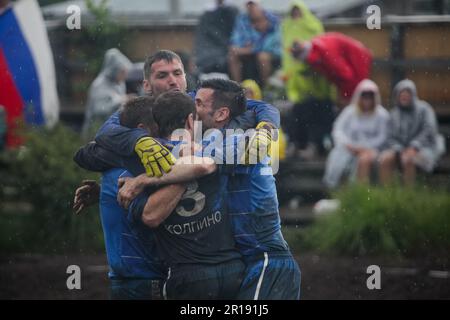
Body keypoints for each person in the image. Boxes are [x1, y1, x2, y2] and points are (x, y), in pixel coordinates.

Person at [118, 79, 301, 300]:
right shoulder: (216, 143)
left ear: (221, 113)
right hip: (244, 262)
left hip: (268, 259)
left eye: (198, 103)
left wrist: (139, 180)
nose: (193, 109)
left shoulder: (245, 144)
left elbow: (200, 163)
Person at [125, 90, 245, 300]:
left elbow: (149, 216)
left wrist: (143, 178)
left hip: (189, 274)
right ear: (191, 121)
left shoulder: (140, 164)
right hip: (232, 269)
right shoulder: (216, 149)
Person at [76, 96, 167, 299]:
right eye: (160, 127)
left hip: (130, 279)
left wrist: (103, 192)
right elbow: (154, 215)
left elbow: (86, 153)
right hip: (143, 280)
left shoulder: (117, 169)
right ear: (142, 130)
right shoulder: (128, 175)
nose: (164, 133)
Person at [281, 1, 335, 156]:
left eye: (299, 12)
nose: (296, 16)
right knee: (299, 111)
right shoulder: (286, 27)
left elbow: (319, 48)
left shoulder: (313, 25)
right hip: (296, 80)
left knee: (316, 109)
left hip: (315, 78)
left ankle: (313, 145)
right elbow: (286, 54)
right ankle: (298, 144)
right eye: (294, 13)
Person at [323, 79, 390, 189]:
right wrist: (348, 144)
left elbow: (383, 136)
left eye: (370, 97)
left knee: (364, 159)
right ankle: (337, 189)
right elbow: (337, 129)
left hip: (372, 150)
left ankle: (360, 190)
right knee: (338, 161)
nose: (367, 100)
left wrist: (365, 148)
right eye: (364, 96)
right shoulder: (350, 112)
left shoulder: (382, 115)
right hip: (348, 148)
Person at [379, 79, 446, 185]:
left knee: (408, 160)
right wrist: (398, 149)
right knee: (385, 159)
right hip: (400, 149)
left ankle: (408, 194)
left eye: (407, 93)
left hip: (424, 148)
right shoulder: (393, 114)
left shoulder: (424, 109)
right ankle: (387, 193)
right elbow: (390, 137)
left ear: (413, 95)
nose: (404, 96)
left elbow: (429, 130)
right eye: (401, 93)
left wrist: (415, 146)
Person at [291, 32, 372, 105]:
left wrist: (346, 96)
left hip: (359, 61)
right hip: (357, 59)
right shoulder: (317, 49)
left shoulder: (325, 53)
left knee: (358, 97)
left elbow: (346, 75)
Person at [82, 48, 133, 139]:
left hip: (113, 133)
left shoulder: (119, 84)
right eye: (122, 72)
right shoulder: (99, 85)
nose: (125, 76)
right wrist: (120, 100)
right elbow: (99, 110)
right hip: (97, 132)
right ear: (114, 70)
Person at [228, 0, 281, 87]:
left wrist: (250, 49)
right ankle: (237, 86)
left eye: (253, 6)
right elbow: (236, 39)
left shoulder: (272, 20)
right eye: (249, 6)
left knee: (263, 57)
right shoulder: (242, 19)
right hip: (248, 51)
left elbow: (270, 45)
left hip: (272, 52)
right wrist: (239, 48)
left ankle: (266, 87)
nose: (251, 9)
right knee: (232, 54)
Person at [194, 0, 238, 74]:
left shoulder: (233, 11)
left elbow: (235, 34)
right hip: (209, 52)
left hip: (228, 50)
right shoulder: (207, 13)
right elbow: (202, 39)